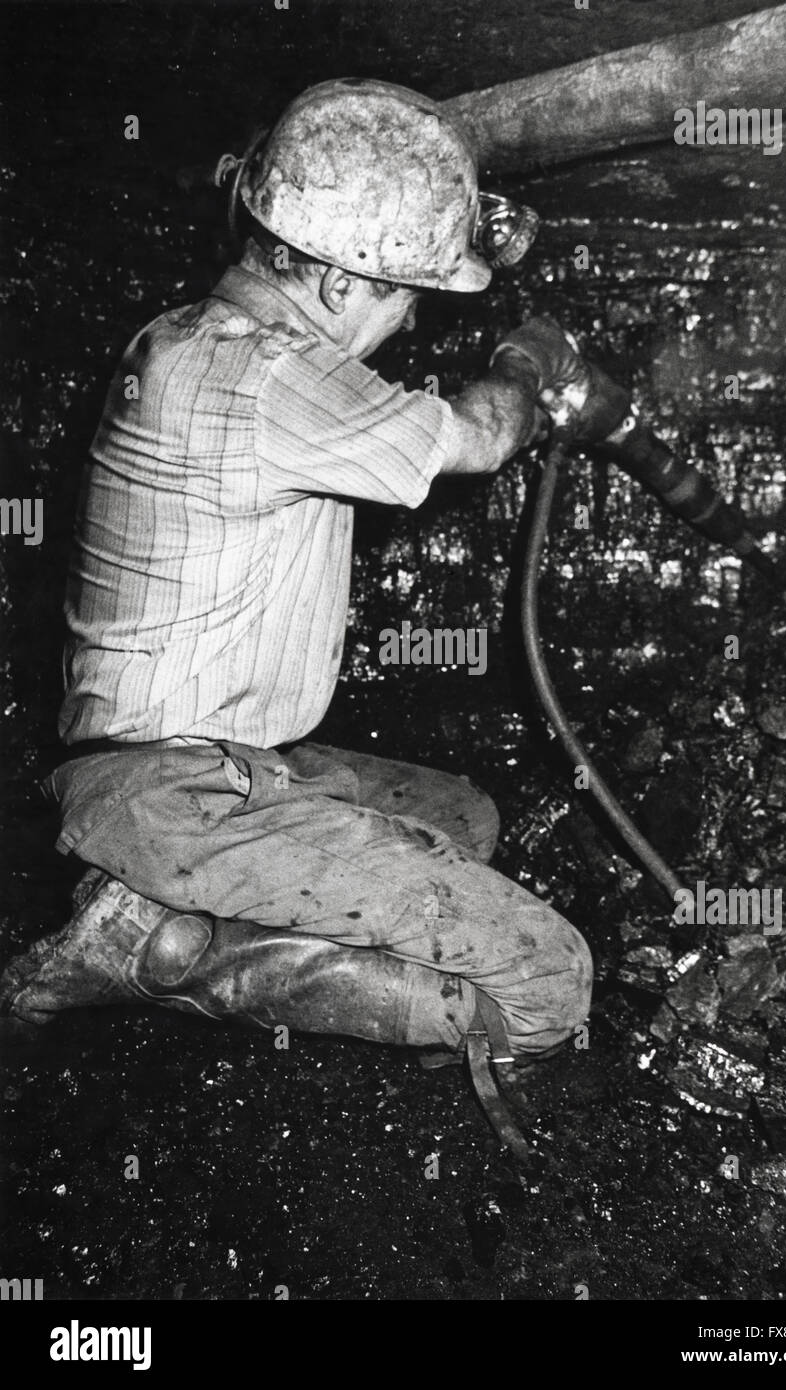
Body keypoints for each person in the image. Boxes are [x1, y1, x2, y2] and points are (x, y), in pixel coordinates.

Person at [0, 78, 592, 1148]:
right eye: (404, 293)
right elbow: (472, 438)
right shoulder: (260, 371)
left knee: (465, 823)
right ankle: (155, 950)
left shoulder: (200, 342)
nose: (409, 316)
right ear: (331, 277)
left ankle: (175, 912)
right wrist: (523, 364)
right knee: (547, 984)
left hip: (225, 761)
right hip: (172, 792)